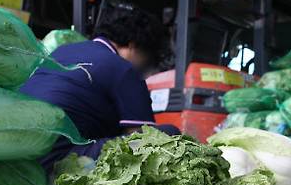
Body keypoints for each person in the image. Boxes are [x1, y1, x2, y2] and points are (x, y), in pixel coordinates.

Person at [20, 9, 179, 171]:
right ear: (133, 46)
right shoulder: (124, 69)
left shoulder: (61, 51)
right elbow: (143, 137)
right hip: (58, 159)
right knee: (168, 134)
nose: (146, 69)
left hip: (20, 149)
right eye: (148, 59)